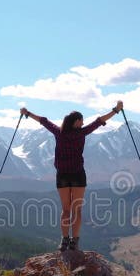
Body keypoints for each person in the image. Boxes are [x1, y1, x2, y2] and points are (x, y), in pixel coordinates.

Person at [20, 101, 124, 251]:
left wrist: (27, 113)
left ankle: (64, 240)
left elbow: (44, 121)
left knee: (66, 209)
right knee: (76, 209)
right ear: (76, 121)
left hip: (62, 175)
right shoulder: (81, 132)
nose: (83, 123)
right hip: (77, 175)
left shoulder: (58, 132)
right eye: (81, 120)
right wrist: (116, 110)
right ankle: (74, 241)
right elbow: (100, 121)